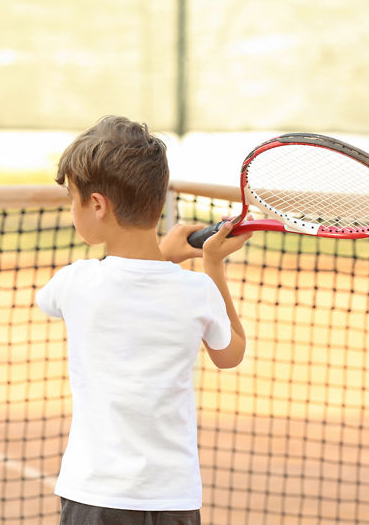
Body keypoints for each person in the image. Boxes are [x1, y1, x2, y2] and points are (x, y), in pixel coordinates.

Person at [35, 116, 252, 524]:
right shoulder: (198, 294)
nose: (72, 209)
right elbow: (230, 354)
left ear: (97, 205)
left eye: (73, 199)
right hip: (173, 500)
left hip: (94, 497)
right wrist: (212, 264)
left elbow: (61, 297)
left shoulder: (74, 283)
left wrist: (163, 256)